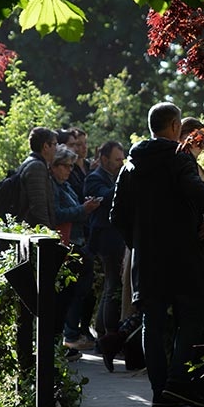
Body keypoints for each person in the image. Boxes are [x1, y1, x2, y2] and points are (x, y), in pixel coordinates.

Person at [111, 102, 204, 407]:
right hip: (184, 257)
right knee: (192, 317)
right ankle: (177, 381)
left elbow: (116, 216)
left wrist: (138, 242)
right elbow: (201, 194)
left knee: (153, 321)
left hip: (147, 260)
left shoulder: (131, 166)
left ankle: (160, 392)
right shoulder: (180, 160)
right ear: (176, 126)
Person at [49, 145, 100, 352]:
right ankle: (64, 337)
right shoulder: (53, 186)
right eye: (67, 166)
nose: (70, 170)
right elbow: (57, 215)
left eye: (72, 166)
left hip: (76, 242)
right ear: (55, 166)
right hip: (65, 246)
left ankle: (65, 337)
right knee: (67, 294)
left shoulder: (65, 185)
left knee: (78, 292)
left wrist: (84, 207)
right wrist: (82, 209)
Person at [84, 140, 127, 340]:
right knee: (112, 285)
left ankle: (103, 331)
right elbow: (108, 198)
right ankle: (106, 333)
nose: (121, 163)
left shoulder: (111, 176)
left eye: (122, 159)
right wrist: (124, 180)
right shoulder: (94, 179)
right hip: (106, 240)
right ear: (104, 159)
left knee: (112, 285)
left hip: (115, 238)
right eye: (117, 159)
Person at [19, 126, 58, 228]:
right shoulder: (37, 167)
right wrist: (48, 233)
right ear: (45, 146)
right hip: (34, 232)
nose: (56, 148)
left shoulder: (31, 163)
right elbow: (38, 206)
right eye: (54, 144)